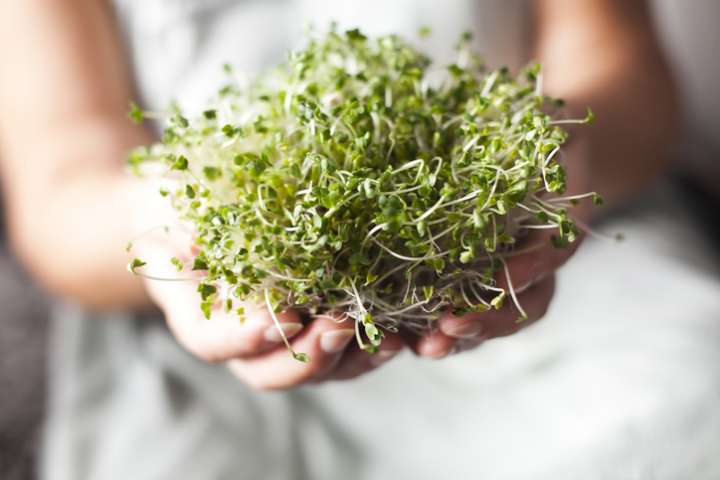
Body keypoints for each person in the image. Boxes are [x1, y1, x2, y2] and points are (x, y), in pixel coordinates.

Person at [5, 1, 716, 479]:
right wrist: (163, 214)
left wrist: (558, 152)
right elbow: (61, 188)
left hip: (559, 261)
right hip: (205, 328)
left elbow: (632, 88)